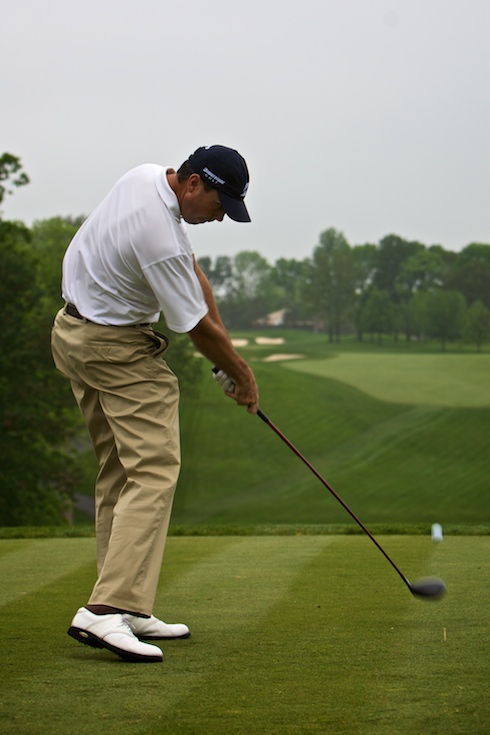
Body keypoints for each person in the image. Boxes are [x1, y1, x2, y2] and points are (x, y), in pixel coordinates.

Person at [51, 145, 259, 663]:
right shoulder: (159, 235)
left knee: (120, 471)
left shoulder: (145, 177)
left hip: (73, 332)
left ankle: (125, 604)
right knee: (155, 468)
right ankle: (105, 609)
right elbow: (193, 326)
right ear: (192, 184)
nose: (219, 216)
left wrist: (224, 353)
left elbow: (193, 276)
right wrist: (242, 374)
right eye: (218, 204)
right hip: (113, 348)